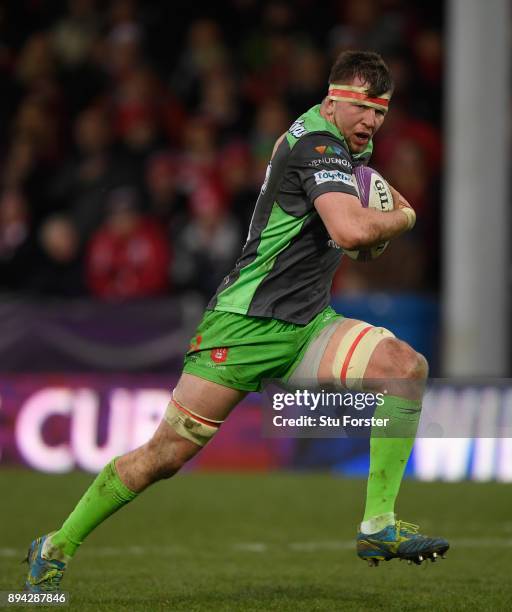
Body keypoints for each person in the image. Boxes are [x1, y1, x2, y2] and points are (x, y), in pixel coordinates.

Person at [24, 50, 448, 592]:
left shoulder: (336, 148)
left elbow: (354, 226)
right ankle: (56, 545)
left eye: (381, 112)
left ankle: (378, 525)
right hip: (243, 326)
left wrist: (375, 221)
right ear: (332, 100)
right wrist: (402, 219)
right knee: (164, 456)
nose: (372, 121)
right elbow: (348, 233)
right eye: (363, 107)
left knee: (403, 366)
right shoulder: (318, 147)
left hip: (307, 327)